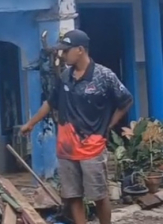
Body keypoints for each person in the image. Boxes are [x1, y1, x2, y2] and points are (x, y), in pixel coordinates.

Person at [20, 29, 133, 224]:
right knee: (73, 196)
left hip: (92, 147)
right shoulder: (65, 76)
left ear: (80, 50)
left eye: (66, 50)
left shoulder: (104, 76)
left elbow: (126, 101)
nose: (63, 55)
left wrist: (108, 125)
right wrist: (31, 123)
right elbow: (51, 102)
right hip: (66, 148)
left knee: (98, 195)